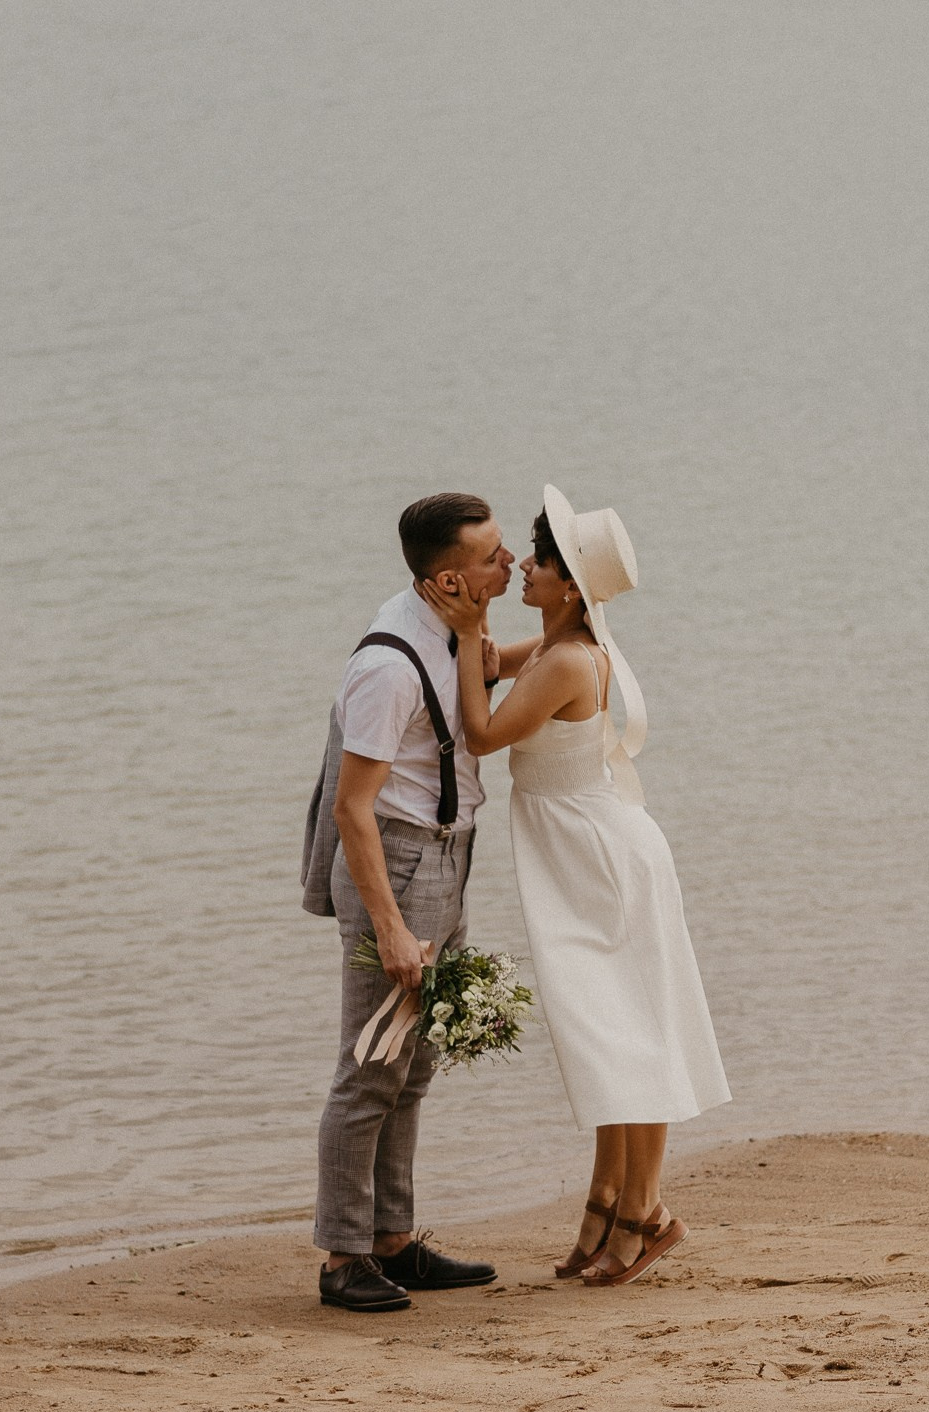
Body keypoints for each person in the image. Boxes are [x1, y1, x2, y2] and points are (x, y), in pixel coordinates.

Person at [421, 486, 729, 1287]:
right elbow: (488, 668)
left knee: (629, 1035)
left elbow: (483, 733)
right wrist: (473, 623)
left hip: (600, 860)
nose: (526, 565)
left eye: (543, 560)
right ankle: (607, 1201)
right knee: (607, 1035)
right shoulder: (560, 644)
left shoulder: (565, 659)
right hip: (590, 853)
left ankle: (644, 1214)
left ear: (569, 585)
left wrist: (462, 632)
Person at [301, 493, 515, 1312]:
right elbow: (353, 807)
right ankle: (342, 1257)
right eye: (496, 556)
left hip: (450, 853)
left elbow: (487, 671)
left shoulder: (452, 625)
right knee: (370, 1068)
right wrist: (389, 924)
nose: (513, 565)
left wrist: (581, 642)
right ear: (451, 578)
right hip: (397, 862)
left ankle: (393, 1239)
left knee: (415, 1062)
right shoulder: (387, 668)